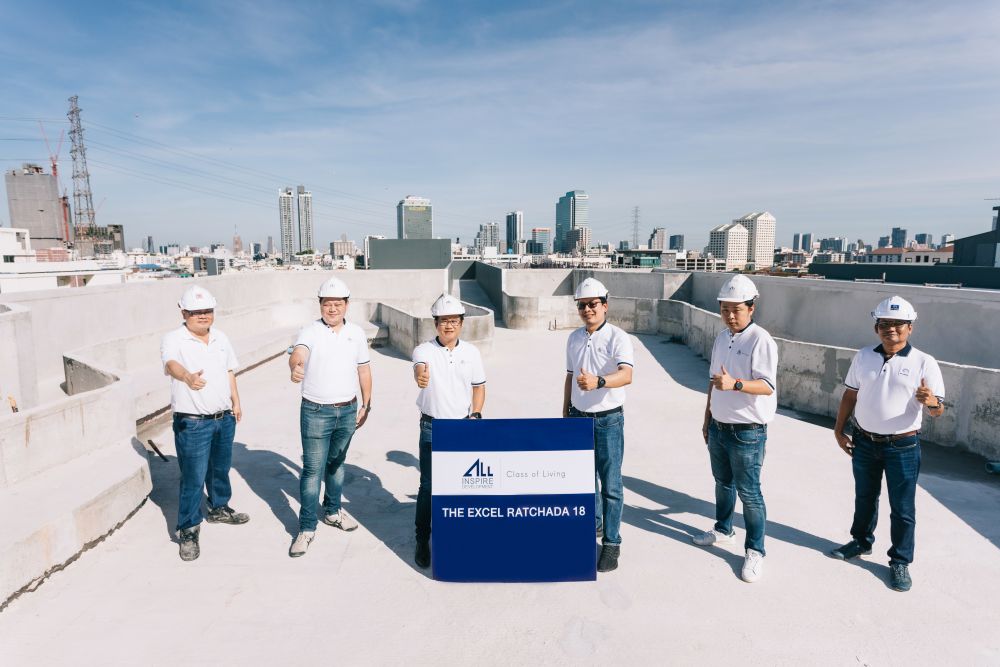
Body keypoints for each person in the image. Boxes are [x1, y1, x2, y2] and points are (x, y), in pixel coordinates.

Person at [830, 295, 945, 592]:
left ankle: (900, 561)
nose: (891, 329)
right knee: (865, 497)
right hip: (864, 441)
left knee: (902, 507)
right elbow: (850, 395)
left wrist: (931, 401)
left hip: (902, 447)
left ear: (910, 328)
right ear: (876, 327)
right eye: (884, 324)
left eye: (898, 324)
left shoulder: (924, 362)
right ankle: (861, 542)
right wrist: (839, 430)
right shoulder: (864, 356)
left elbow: (938, 410)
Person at [694, 274, 777, 584]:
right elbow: (713, 382)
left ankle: (755, 550)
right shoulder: (721, 338)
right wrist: (707, 418)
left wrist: (736, 384)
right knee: (723, 483)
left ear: (751, 308)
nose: (730, 315)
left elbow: (767, 386)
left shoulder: (760, 340)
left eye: (736, 309)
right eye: (725, 309)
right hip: (719, 427)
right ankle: (723, 529)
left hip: (747, 432)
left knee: (750, 494)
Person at [161, 285, 248, 562]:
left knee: (220, 469)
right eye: (196, 312)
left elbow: (229, 371)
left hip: (224, 418)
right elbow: (170, 364)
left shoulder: (221, 337)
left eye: (207, 311)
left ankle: (219, 508)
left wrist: (236, 402)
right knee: (193, 478)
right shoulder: (174, 339)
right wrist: (187, 377)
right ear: (184, 313)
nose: (203, 316)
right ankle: (188, 529)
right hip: (193, 423)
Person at [287, 276, 373, 558]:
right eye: (327, 304)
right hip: (316, 411)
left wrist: (367, 404)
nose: (332, 309)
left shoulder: (356, 333)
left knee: (336, 465)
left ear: (346, 304)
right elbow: (298, 353)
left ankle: (333, 511)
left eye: (337, 303)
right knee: (313, 470)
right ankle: (306, 528)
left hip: (348, 410)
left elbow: (363, 369)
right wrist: (296, 366)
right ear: (320, 305)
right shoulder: (310, 331)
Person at [563, 277, 634, 573]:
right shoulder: (574, 338)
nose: (587, 310)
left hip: (608, 420)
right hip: (578, 418)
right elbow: (570, 376)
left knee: (611, 485)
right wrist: (566, 412)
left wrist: (599, 381)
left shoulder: (618, 337)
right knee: (585, 481)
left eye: (593, 304)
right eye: (582, 305)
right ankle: (594, 525)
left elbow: (627, 374)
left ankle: (612, 543)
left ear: (605, 305)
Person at [411, 294, 487, 569]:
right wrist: (421, 376)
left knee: (462, 486)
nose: (449, 325)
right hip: (433, 427)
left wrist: (476, 414)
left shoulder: (472, 353)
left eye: (454, 320)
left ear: (461, 323)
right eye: (443, 321)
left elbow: (479, 387)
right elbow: (419, 368)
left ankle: (459, 535)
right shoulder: (424, 350)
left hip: (463, 426)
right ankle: (422, 539)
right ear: (436, 323)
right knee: (429, 486)